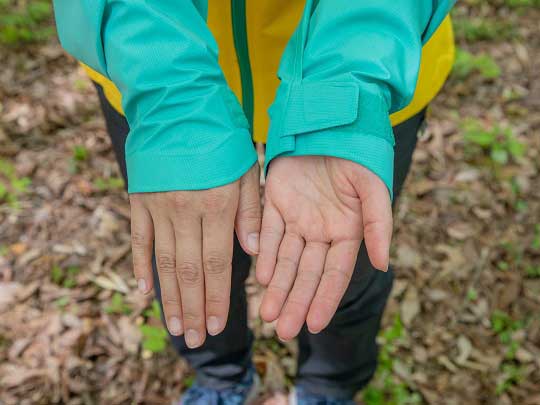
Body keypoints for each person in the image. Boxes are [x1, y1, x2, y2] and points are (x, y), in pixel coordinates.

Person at [53, 1, 456, 403]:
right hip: (150, 78)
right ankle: (221, 378)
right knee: (193, 258)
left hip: (372, 67)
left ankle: (330, 384)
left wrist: (342, 89)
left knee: (344, 260)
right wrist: (171, 96)